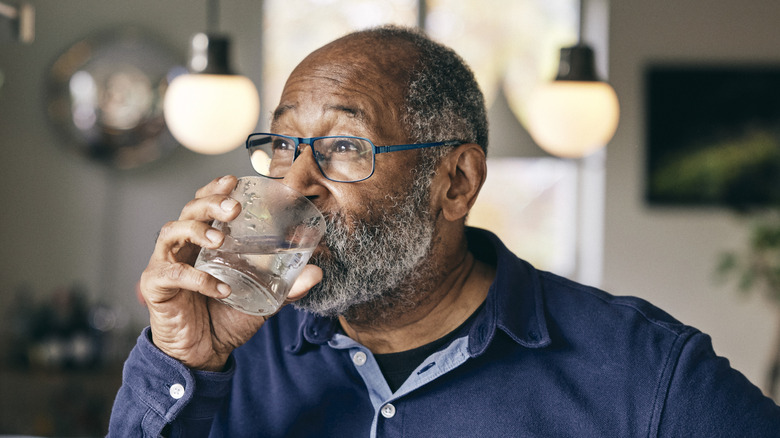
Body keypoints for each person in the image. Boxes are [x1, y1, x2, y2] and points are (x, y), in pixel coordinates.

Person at [109, 25, 780, 437]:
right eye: (281, 146)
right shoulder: (228, 354)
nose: (294, 184)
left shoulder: (646, 376)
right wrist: (184, 363)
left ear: (455, 182)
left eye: (345, 147)